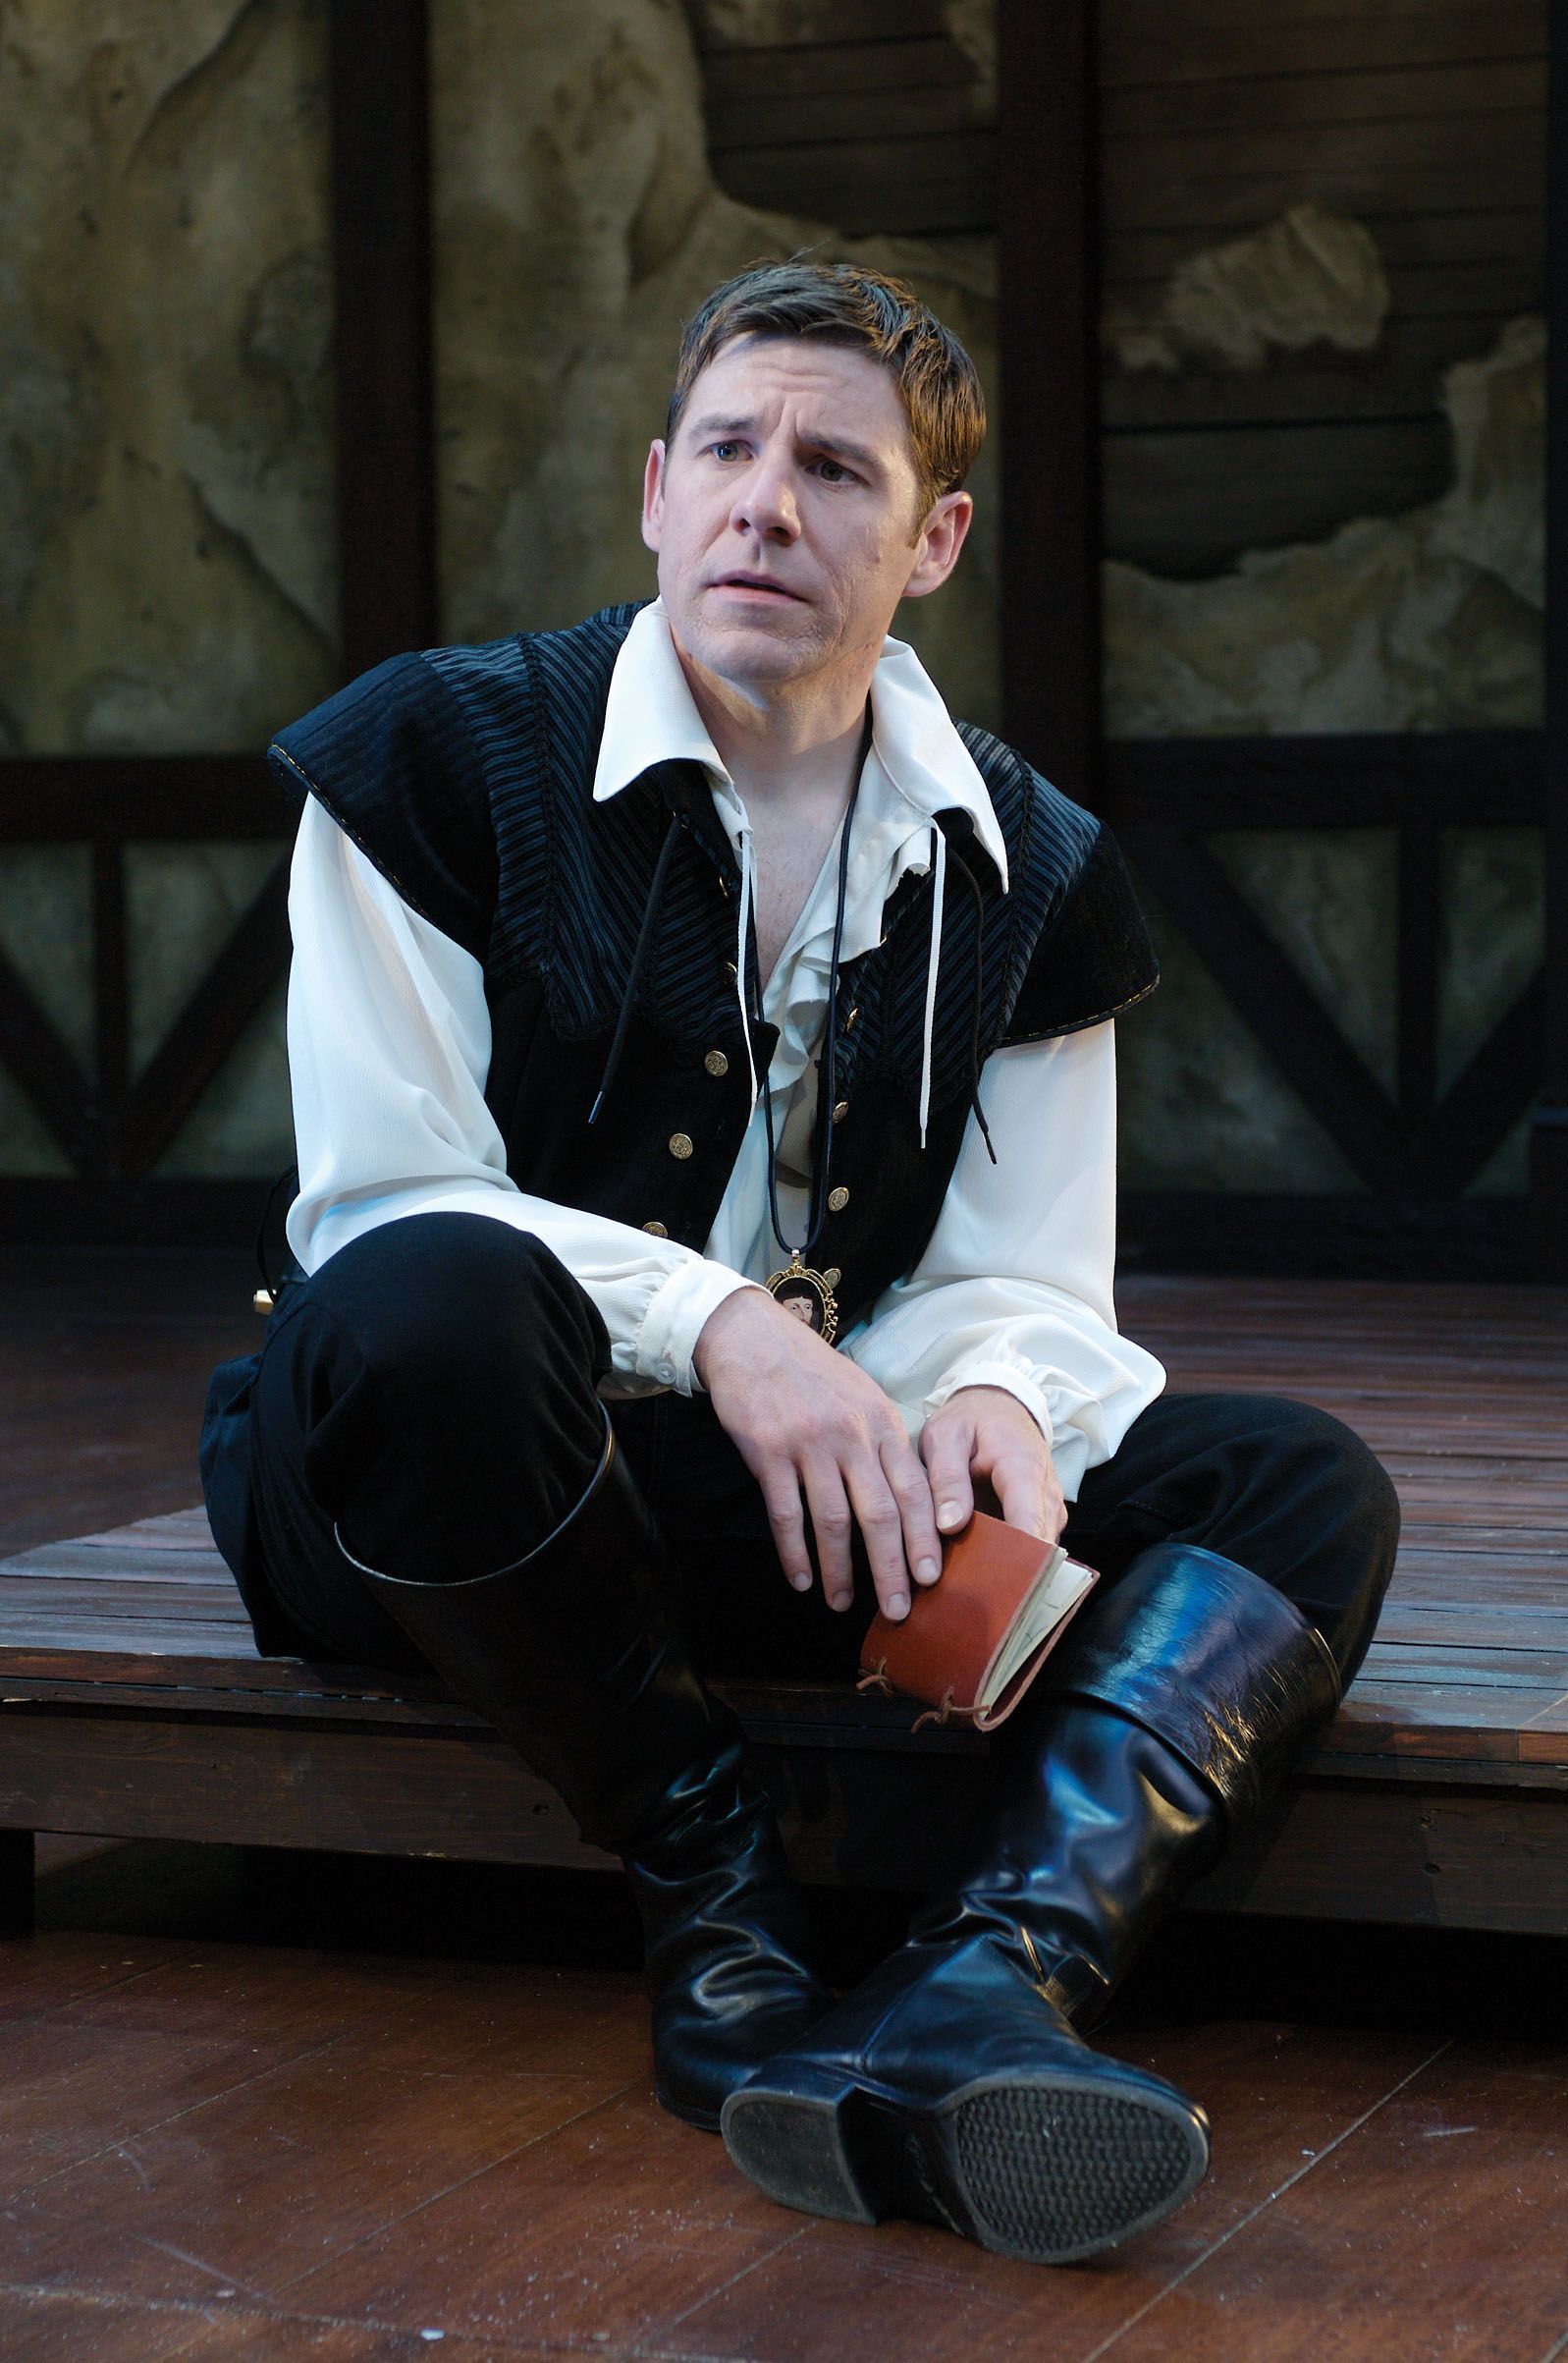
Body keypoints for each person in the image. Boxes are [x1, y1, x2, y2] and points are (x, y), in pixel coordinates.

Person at [201, 259, 1398, 2267]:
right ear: (657, 493)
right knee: (424, 1306)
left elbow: (1031, 1276)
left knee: (1292, 1485)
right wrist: (727, 1328)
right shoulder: (431, 756)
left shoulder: (1029, 863)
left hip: (772, 1514)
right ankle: (711, 1891)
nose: (771, 503)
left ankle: (986, 1987)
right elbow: (384, 1198)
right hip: (447, 1497)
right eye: (733, 453)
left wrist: (998, 1410)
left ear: (929, 540)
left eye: (837, 470)